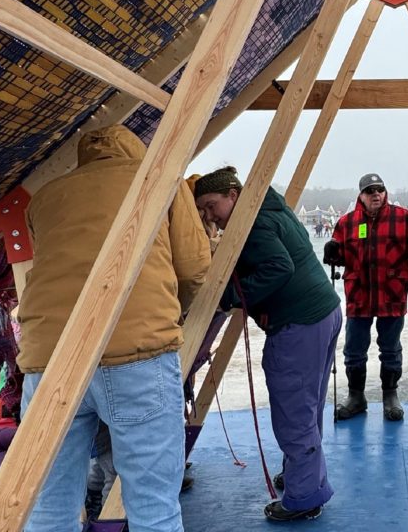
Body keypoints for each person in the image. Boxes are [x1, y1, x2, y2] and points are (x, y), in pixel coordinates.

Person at [18, 124, 211, 532]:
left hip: (49, 359)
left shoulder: (46, 197)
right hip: (137, 354)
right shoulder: (160, 181)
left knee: (49, 506)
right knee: (153, 507)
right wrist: (169, 315)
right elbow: (194, 270)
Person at [194, 167, 341, 523]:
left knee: (294, 411)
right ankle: (303, 475)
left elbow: (278, 266)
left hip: (299, 322)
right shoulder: (270, 209)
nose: (210, 216)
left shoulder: (254, 222)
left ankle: (304, 496)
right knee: (307, 407)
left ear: (233, 194)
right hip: (323, 312)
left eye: (212, 206)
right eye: (203, 212)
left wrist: (229, 295)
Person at [323, 173, 408, 422]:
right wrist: (332, 252)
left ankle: (390, 396)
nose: (376, 195)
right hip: (359, 296)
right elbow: (338, 257)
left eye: (379, 190)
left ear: (385, 192)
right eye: (370, 191)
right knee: (353, 351)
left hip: (391, 295)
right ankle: (356, 397)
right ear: (360, 195)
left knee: (391, 350)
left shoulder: (402, 217)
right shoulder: (346, 222)